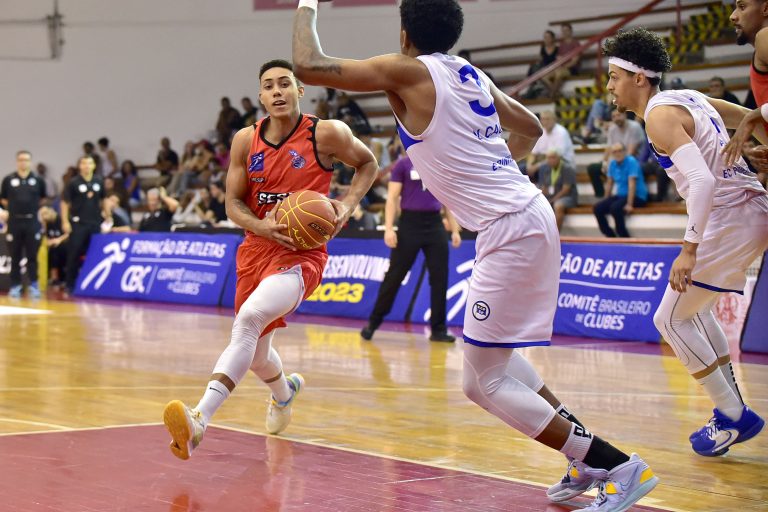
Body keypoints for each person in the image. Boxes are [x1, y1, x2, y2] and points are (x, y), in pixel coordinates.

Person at [293, 2, 658, 510]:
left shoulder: (407, 70)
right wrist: (490, 168)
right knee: (497, 363)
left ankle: (615, 464)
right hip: (523, 213)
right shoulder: (469, 73)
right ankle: (584, 460)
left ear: (404, 34)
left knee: (482, 382)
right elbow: (530, 127)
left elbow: (307, 65)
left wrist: (306, 4)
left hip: (510, 225)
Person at [162, 59, 378, 461]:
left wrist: (348, 204)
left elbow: (368, 163)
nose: (277, 91)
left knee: (248, 320)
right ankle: (284, 392)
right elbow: (232, 203)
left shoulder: (326, 133)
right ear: (260, 96)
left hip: (301, 254)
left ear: (300, 91)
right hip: (255, 249)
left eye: (284, 84)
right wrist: (260, 226)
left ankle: (199, 419)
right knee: (257, 353)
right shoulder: (245, 140)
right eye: (269, 86)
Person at [602, 27, 768, 457]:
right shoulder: (688, 97)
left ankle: (732, 414)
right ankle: (731, 410)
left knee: (669, 320)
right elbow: (745, 115)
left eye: (614, 76)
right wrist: (753, 146)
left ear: (639, 78)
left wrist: (688, 249)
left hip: (731, 219)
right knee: (696, 311)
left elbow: (701, 180)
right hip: (752, 211)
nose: (609, 86)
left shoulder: (658, 116)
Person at [360, 155, 461, 343]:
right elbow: (392, 198)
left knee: (440, 277)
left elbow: (447, 200)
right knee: (395, 275)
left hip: (435, 223)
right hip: (409, 223)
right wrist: (389, 228)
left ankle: (438, 329)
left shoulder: (439, 161)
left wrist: (455, 230)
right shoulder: (403, 164)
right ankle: (373, 322)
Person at [722, 0, 768, 172]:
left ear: (766, 8)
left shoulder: (764, 36)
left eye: (742, 7)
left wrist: (751, 117)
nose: (732, 16)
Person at [0, 150, 47, 298]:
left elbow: (43, 199)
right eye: (21, 160)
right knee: (15, 255)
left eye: (26, 160)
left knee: (32, 255)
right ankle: (15, 285)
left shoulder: (38, 180)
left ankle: (33, 284)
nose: (23, 162)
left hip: (32, 221)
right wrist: (13, 209)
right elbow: (4, 199)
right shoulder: (8, 180)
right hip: (14, 221)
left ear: (30, 162)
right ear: (17, 162)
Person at [61, 155, 105, 294]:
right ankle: (70, 284)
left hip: (95, 223)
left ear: (94, 166)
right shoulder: (73, 182)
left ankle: (93, 284)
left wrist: (107, 216)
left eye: (89, 163)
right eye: (84, 163)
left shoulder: (99, 181)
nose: (87, 166)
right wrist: (65, 221)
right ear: (80, 166)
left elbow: (103, 200)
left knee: (95, 254)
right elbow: (65, 202)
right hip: (78, 223)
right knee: (74, 254)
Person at [592, 143, 648, 238]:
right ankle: (611, 237)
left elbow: (632, 184)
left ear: (625, 152)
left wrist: (629, 204)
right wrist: (605, 201)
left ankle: (624, 238)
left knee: (615, 208)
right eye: (615, 152)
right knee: (598, 208)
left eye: (620, 151)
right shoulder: (612, 163)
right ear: (612, 154)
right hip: (621, 196)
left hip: (637, 196)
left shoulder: (631, 161)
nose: (617, 153)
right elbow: (609, 184)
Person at [538, 148, 578, 231]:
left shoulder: (567, 168)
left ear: (559, 158)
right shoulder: (544, 169)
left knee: (558, 205)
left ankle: (556, 233)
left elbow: (566, 190)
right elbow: (543, 187)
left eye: (553, 157)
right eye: (548, 158)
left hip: (568, 197)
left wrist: (552, 200)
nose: (551, 160)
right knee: (538, 205)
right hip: (551, 196)